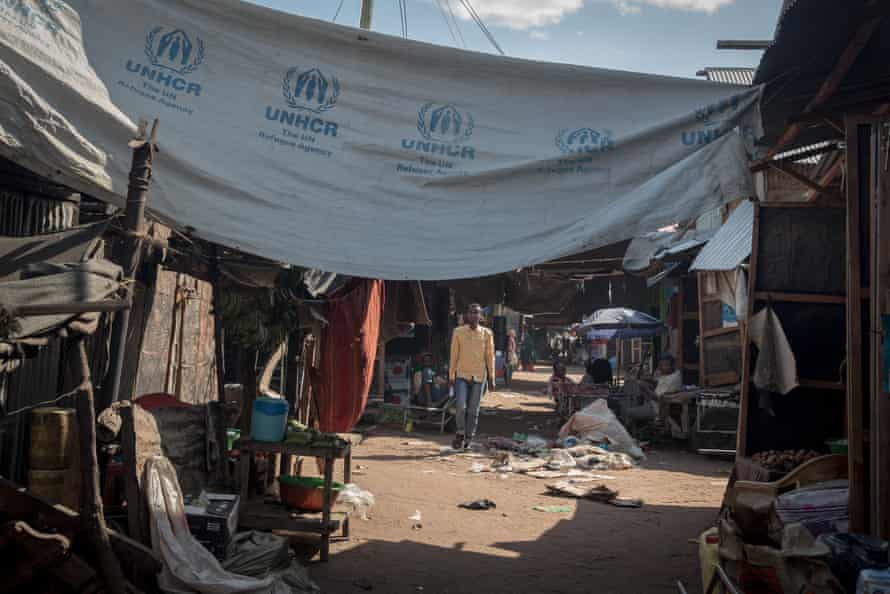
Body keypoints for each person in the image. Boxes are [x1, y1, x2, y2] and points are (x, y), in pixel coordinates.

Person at [449, 303, 496, 450]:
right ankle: (460, 432)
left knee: (473, 410)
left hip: (479, 376)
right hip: (461, 375)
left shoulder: (487, 334)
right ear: (467, 315)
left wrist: (492, 377)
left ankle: (469, 438)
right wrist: (451, 375)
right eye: (472, 312)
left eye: (477, 313)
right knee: (461, 406)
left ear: (481, 316)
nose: (474, 315)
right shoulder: (458, 332)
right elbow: (454, 354)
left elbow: (490, 356)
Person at [620, 354, 681, 425]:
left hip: (657, 409)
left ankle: (629, 430)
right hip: (654, 403)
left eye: (664, 365)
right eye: (660, 365)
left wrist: (645, 388)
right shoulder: (674, 373)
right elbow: (659, 383)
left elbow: (658, 398)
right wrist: (649, 380)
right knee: (636, 394)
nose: (660, 368)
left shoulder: (671, 379)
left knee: (626, 411)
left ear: (672, 365)